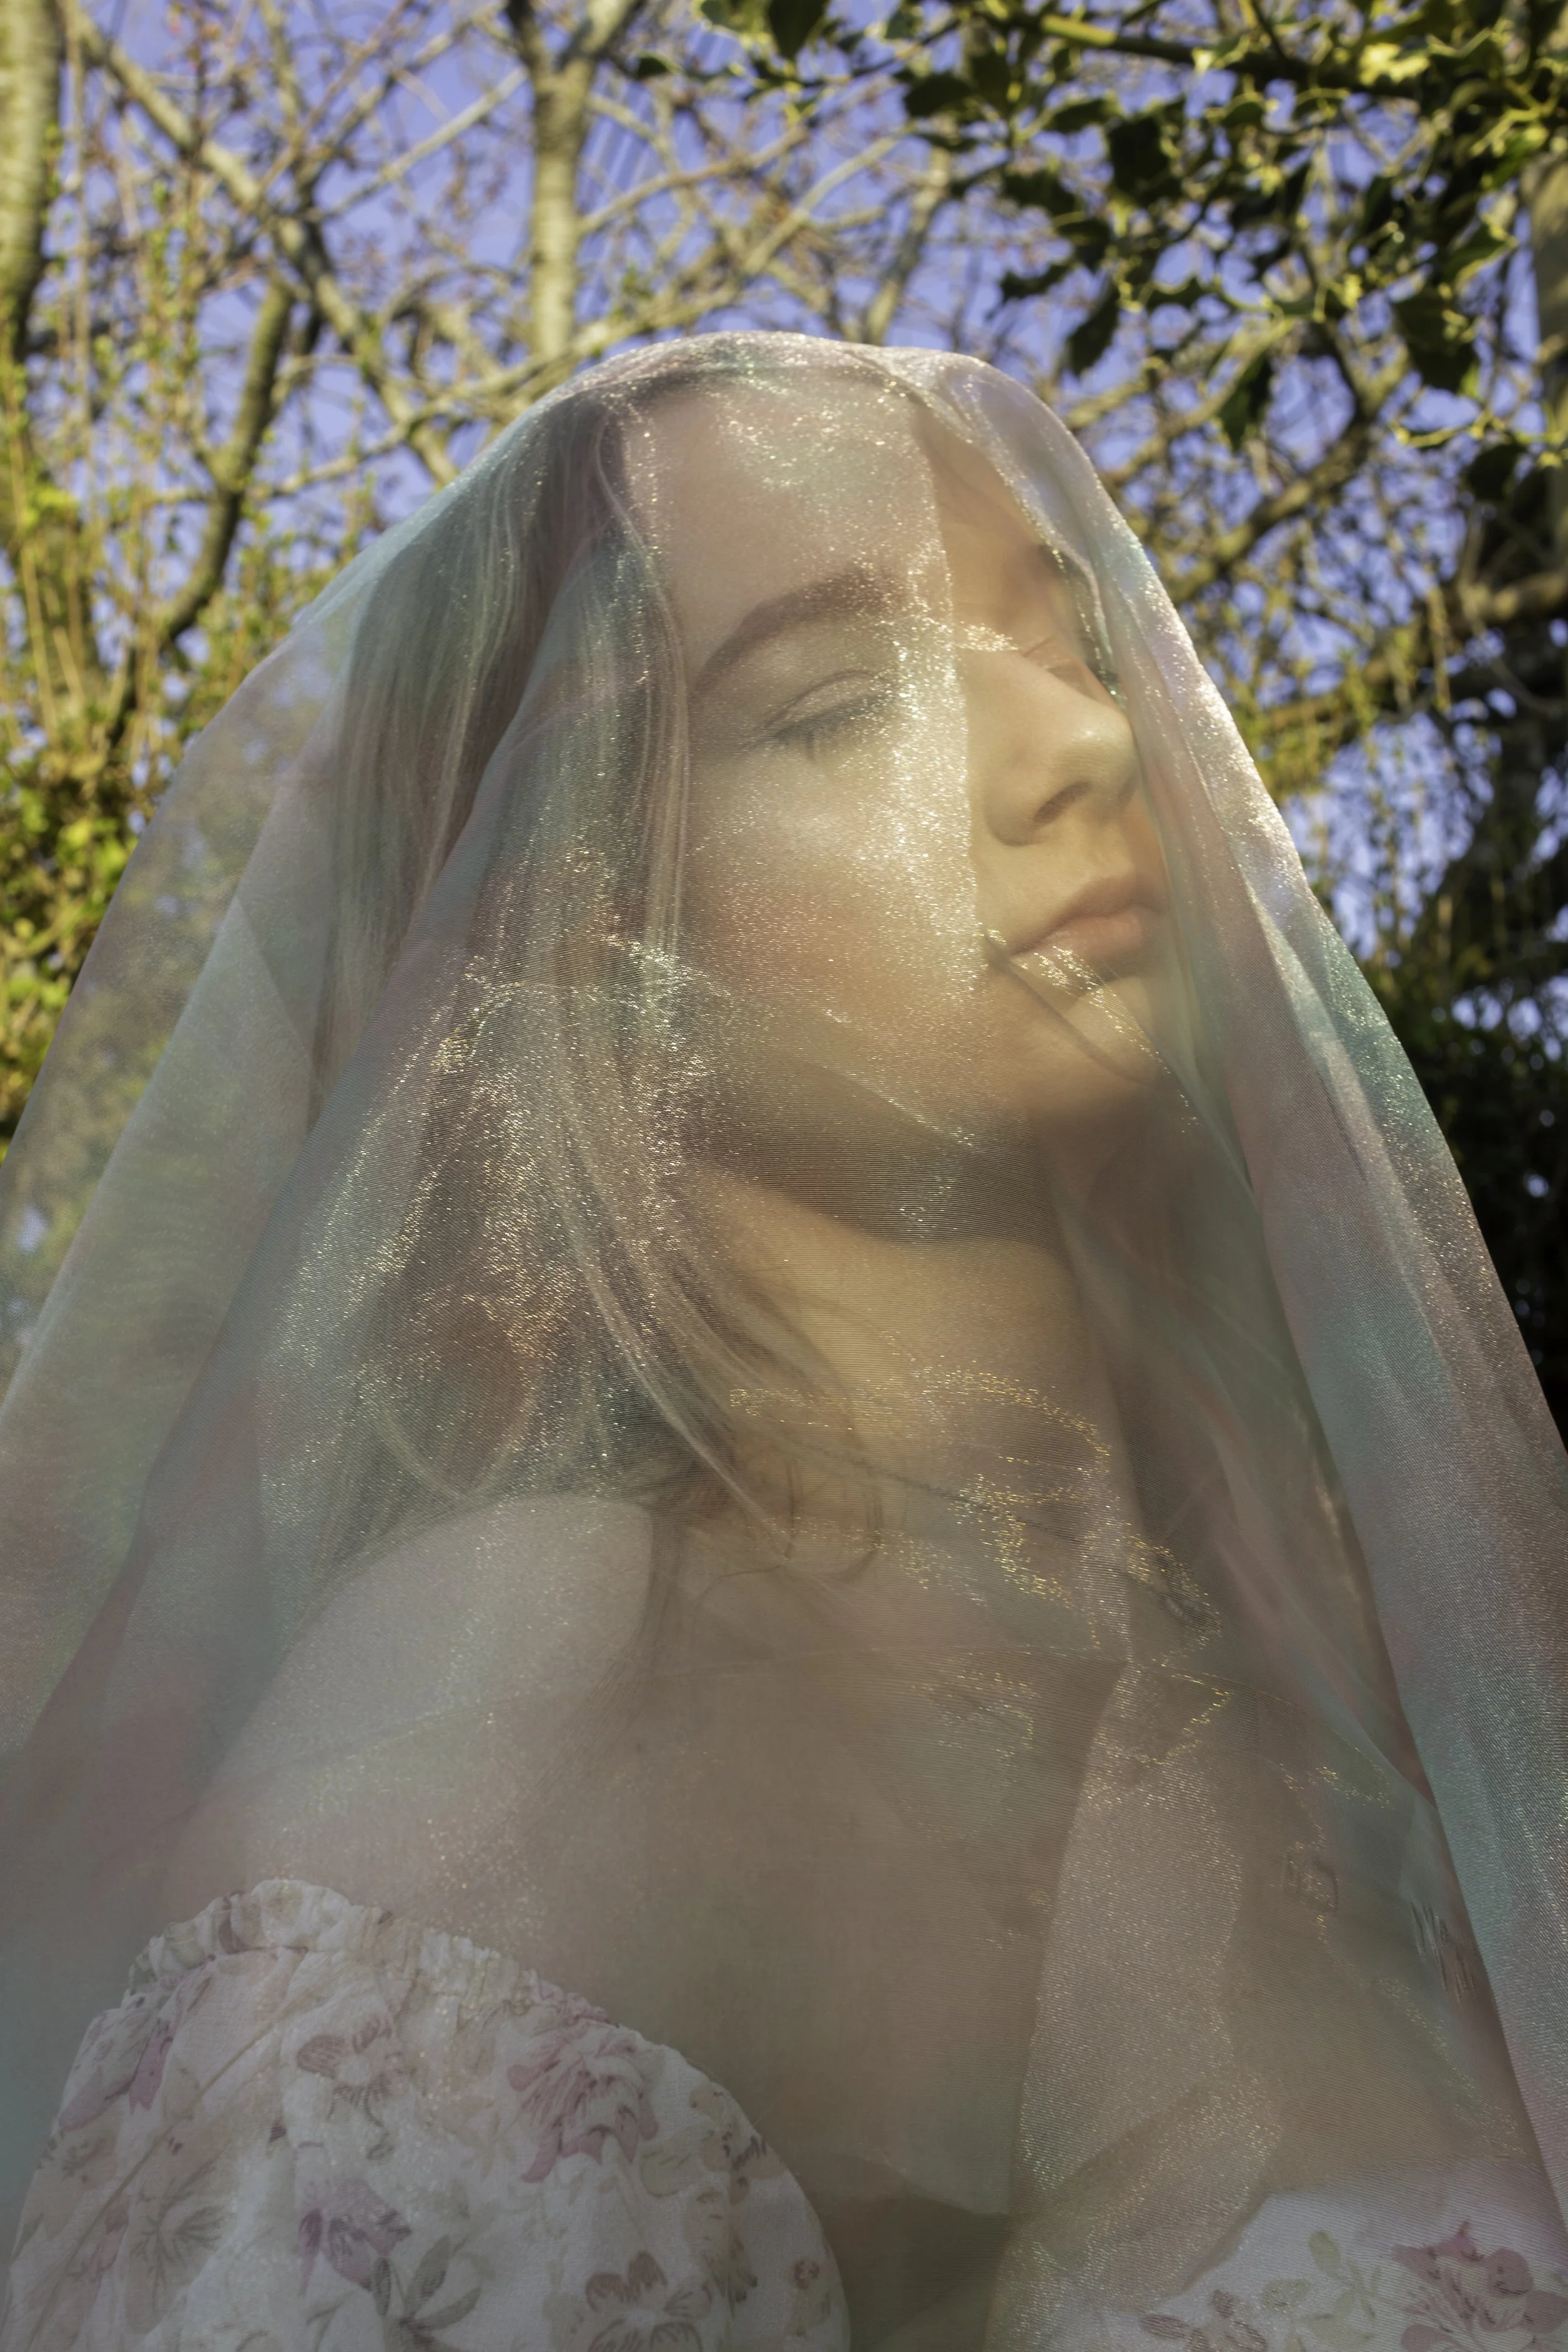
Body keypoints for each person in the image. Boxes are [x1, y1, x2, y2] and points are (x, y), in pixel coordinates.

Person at [1, 331, 1566, 2352]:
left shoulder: (1356, 1683)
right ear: (576, 928)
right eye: (838, 702)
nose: (1082, 742)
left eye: (1075, 640)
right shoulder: (554, 1683)